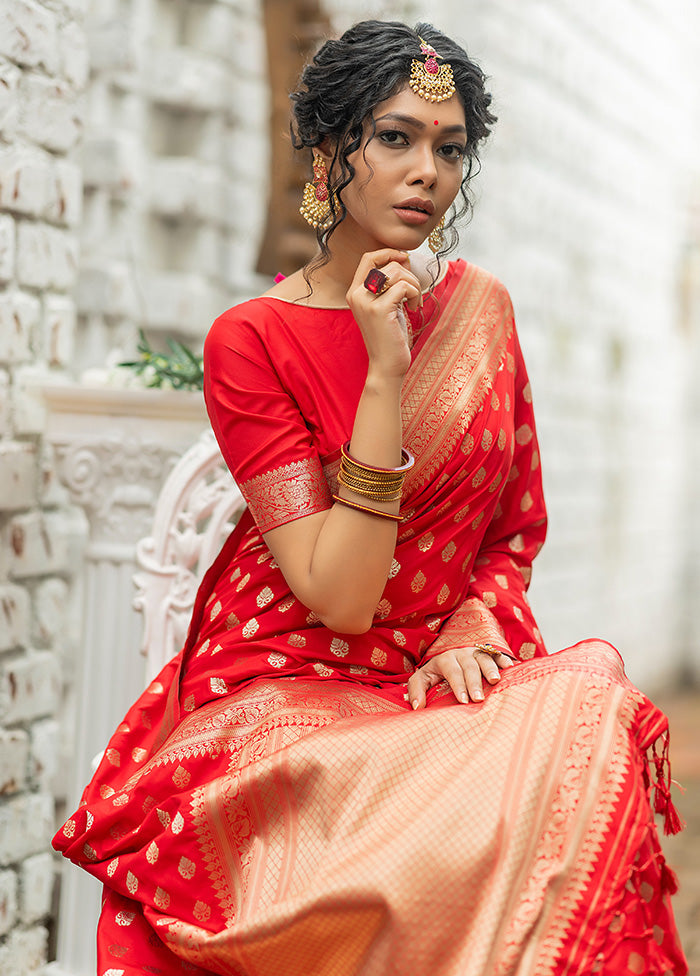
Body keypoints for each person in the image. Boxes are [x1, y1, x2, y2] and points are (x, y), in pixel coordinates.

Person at [54, 20, 688, 976]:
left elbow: (513, 532)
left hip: (435, 676)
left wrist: (476, 623)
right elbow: (340, 596)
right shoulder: (253, 339)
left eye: (448, 147)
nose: (425, 171)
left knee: (587, 715)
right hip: (283, 690)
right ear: (329, 153)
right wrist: (384, 378)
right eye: (394, 138)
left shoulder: (483, 312)